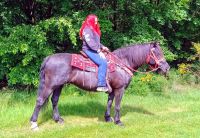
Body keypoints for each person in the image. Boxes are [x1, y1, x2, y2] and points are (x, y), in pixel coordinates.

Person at [79, 14, 109, 92]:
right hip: (89, 50)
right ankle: (101, 85)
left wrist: (102, 47)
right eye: (95, 21)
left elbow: (96, 42)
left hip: (93, 49)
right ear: (91, 21)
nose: (96, 22)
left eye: (96, 21)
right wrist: (98, 51)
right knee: (103, 62)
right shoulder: (87, 29)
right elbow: (90, 42)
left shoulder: (92, 28)